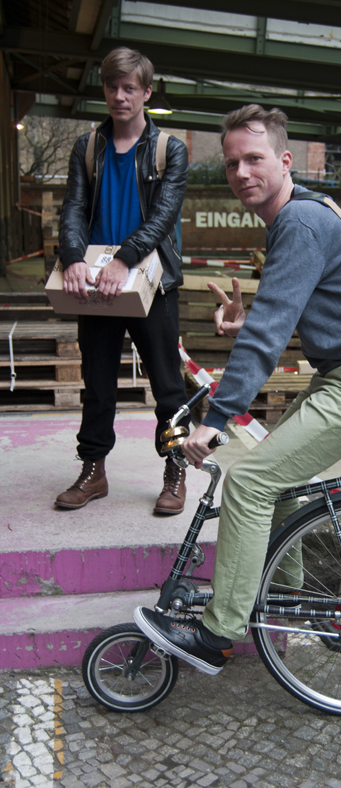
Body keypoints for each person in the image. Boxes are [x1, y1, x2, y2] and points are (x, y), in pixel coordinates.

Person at [134, 104, 341, 672]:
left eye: (254, 159)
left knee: (249, 482)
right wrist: (252, 320)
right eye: (232, 163)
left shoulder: (299, 222)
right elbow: (303, 309)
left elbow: (268, 336)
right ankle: (280, 596)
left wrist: (216, 420)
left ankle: (217, 634)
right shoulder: (303, 214)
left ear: (285, 160)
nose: (241, 172)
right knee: (280, 484)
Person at [55, 47, 190, 515]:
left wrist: (124, 259)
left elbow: (162, 216)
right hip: (97, 282)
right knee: (96, 383)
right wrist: (73, 258)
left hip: (153, 285)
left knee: (168, 386)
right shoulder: (88, 147)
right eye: (112, 87)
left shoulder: (169, 149)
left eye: (129, 88)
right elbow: (74, 207)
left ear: (146, 92)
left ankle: (176, 468)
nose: (119, 96)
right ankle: (93, 470)